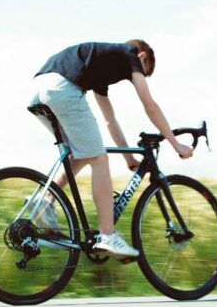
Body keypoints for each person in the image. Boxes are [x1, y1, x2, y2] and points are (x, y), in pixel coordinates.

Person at [28, 40, 193, 259]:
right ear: (142, 57)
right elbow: (149, 105)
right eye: (145, 72)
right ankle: (108, 235)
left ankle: (43, 200)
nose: (140, 77)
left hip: (39, 88)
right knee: (99, 159)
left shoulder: (100, 68)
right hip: (62, 88)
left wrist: (128, 158)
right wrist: (176, 144)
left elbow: (109, 120)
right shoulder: (130, 54)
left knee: (83, 151)